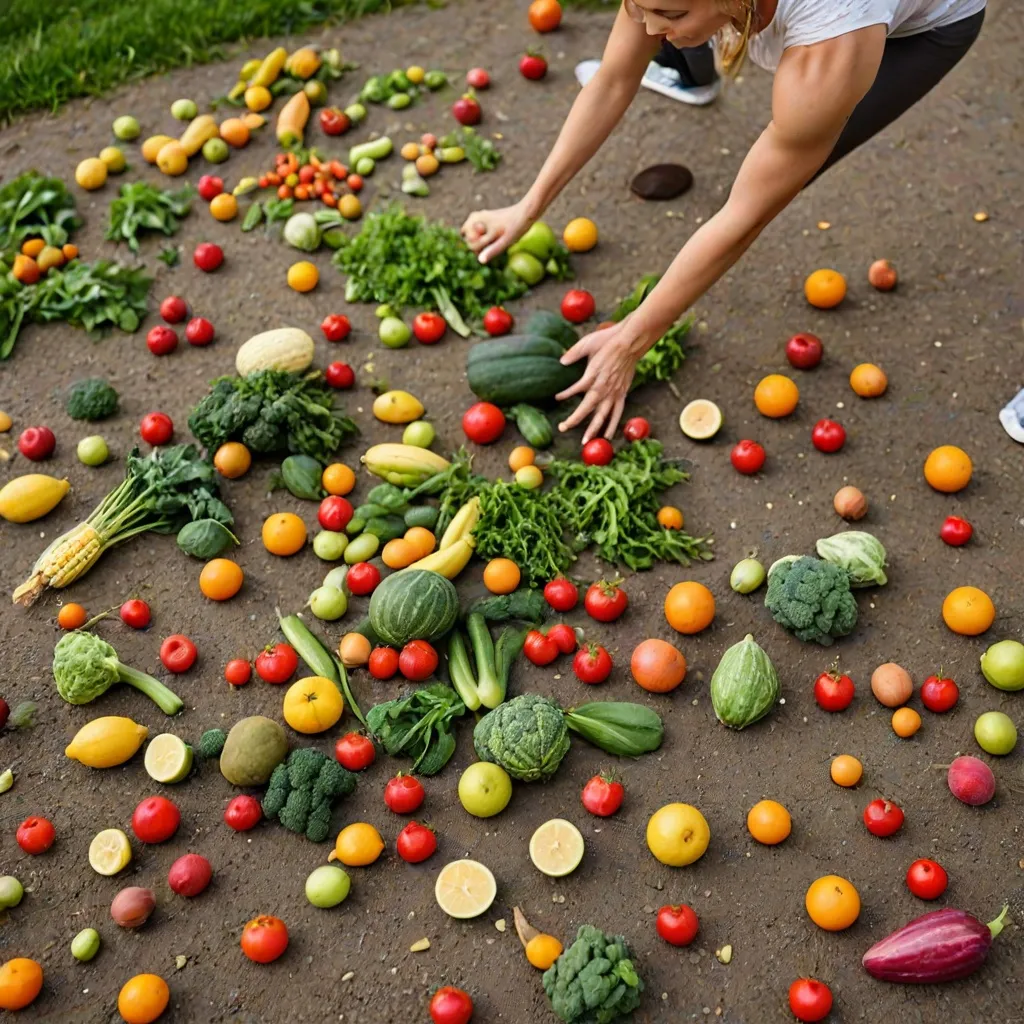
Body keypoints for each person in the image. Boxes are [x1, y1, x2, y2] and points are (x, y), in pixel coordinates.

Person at [461, 0, 986, 442]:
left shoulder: (833, 43)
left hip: (925, 30)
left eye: (667, 11)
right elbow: (614, 77)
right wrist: (527, 206)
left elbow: (742, 216)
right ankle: (694, 66)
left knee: (782, 173)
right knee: (674, 36)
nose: (646, 28)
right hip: (749, 18)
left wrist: (632, 340)